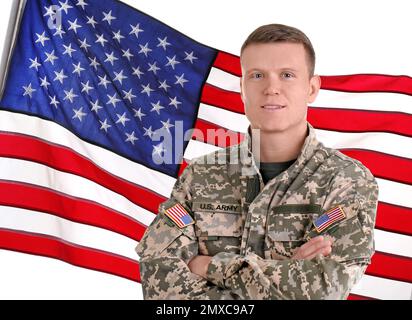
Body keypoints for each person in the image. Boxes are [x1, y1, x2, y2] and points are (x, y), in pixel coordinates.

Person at [135, 23, 379, 299]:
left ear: (311, 88)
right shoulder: (199, 176)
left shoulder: (346, 180)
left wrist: (209, 265)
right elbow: (159, 283)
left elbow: (324, 289)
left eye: (287, 75)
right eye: (257, 75)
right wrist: (287, 272)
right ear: (242, 87)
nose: (271, 88)